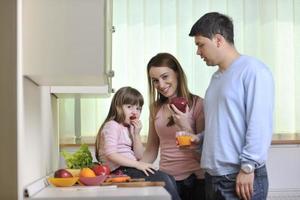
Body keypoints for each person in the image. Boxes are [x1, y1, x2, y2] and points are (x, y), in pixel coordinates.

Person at [189, 12, 274, 200]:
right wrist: (200, 138)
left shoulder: (253, 70)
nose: (198, 52)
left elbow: (259, 122)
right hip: (214, 177)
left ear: (218, 40)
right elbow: (223, 124)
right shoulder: (216, 78)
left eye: (200, 45)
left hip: (239, 177)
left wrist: (248, 167)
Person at [95, 86, 180, 200]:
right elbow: (111, 153)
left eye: (138, 108)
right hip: (119, 170)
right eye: (129, 107)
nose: (134, 111)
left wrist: (136, 134)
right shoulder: (112, 126)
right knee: (163, 179)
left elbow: (140, 156)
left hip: (129, 167)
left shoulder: (129, 128)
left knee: (169, 177)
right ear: (118, 107)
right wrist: (138, 165)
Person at [141, 53, 205, 200]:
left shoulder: (198, 104)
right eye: (155, 81)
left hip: (196, 180)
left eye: (165, 77)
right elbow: (151, 149)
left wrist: (185, 126)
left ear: (177, 73)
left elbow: (202, 153)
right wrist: (135, 170)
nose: (161, 85)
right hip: (167, 179)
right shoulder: (155, 108)